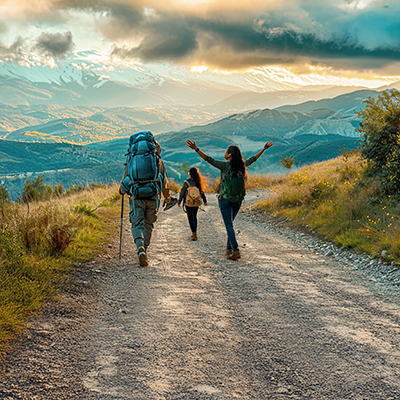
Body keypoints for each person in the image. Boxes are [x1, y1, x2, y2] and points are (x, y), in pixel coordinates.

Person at [186, 139, 273, 260]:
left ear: (230, 155)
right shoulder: (242, 166)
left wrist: (196, 149)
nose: (225, 153)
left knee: (228, 225)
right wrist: (264, 149)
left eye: (226, 151)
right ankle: (229, 249)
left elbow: (208, 159)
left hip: (225, 199)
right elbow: (254, 159)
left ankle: (236, 249)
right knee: (230, 224)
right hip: (238, 199)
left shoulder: (224, 166)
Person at [120, 139, 176, 267]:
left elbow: (126, 179)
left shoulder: (132, 159)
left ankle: (140, 249)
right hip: (152, 198)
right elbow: (165, 184)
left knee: (136, 224)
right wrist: (167, 199)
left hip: (136, 198)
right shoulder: (158, 161)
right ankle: (145, 249)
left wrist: (122, 190)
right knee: (148, 224)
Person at [178, 167, 208, 241]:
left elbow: (182, 192)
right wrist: (205, 201)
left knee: (190, 218)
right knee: (194, 217)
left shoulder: (187, 182)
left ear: (190, 174)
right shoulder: (198, 182)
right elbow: (202, 192)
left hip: (188, 203)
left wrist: (179, 201)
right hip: (196, 203)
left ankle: (193, 233)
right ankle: (195, 233)